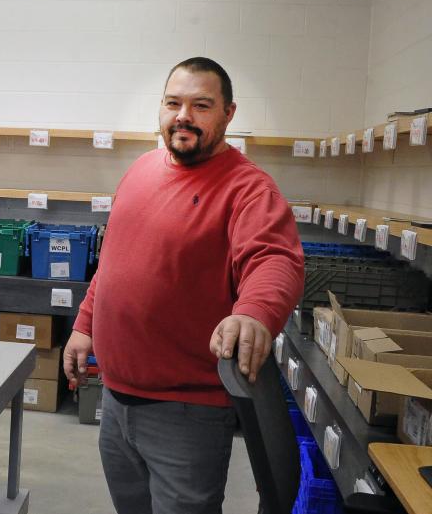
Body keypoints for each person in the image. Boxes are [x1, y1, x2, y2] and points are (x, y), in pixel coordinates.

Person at [64, 57, 304, 514]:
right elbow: (112, 263)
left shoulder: (248, 188)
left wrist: (254, 313)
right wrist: (84, 325)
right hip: (115, 399)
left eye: (201, 105)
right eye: (174, 103)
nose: (183, 117)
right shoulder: (141, 171)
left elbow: (275, 259)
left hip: (187, 411)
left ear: (228, 114)